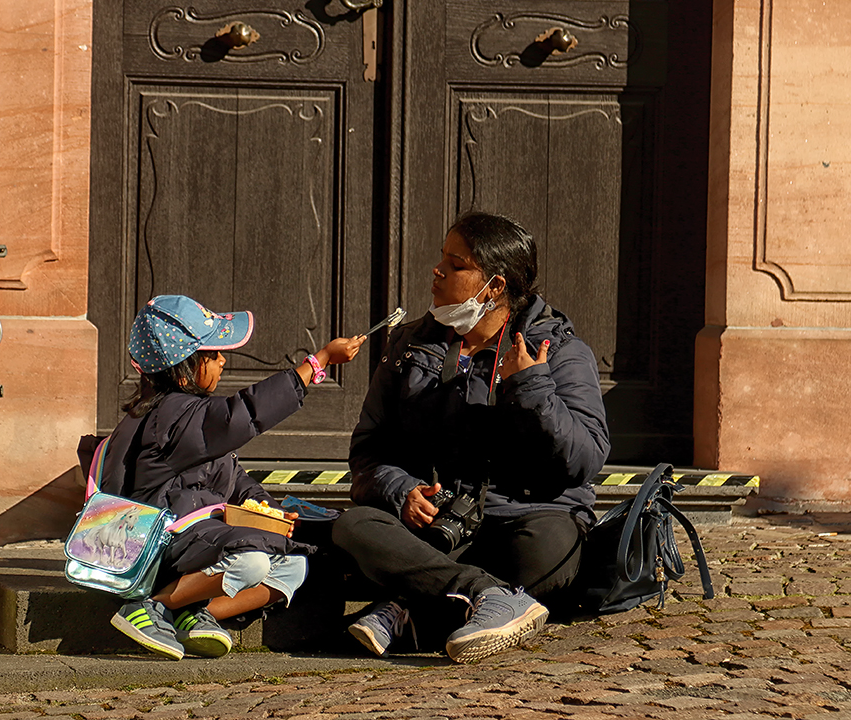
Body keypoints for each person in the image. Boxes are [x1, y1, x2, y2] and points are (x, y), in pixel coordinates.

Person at [333, 212, 610, 663]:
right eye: (442, 258)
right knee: (353, 526)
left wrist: (534, 389)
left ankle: (410, 609)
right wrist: (401, 490)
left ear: (494, 287)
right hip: (438, 528)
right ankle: (487, 596)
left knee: (551, 545)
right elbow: (368, 451)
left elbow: (584, 460)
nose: (437, 272)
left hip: (522, 524)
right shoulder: (409, 345)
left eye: (456, 264)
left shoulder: (556, 350)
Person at [99, 294, 365, 660]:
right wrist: (316, 364)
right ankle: (149, 607)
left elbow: (236, 482)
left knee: (293, 564)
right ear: (184, 366)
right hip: (159, 547)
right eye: (212, 354)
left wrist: (269, 512)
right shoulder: (174, 414)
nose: (223, 360)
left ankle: (191, 612)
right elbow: (243, 415)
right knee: (252, 558)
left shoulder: (188, 415)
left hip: (196, 541)